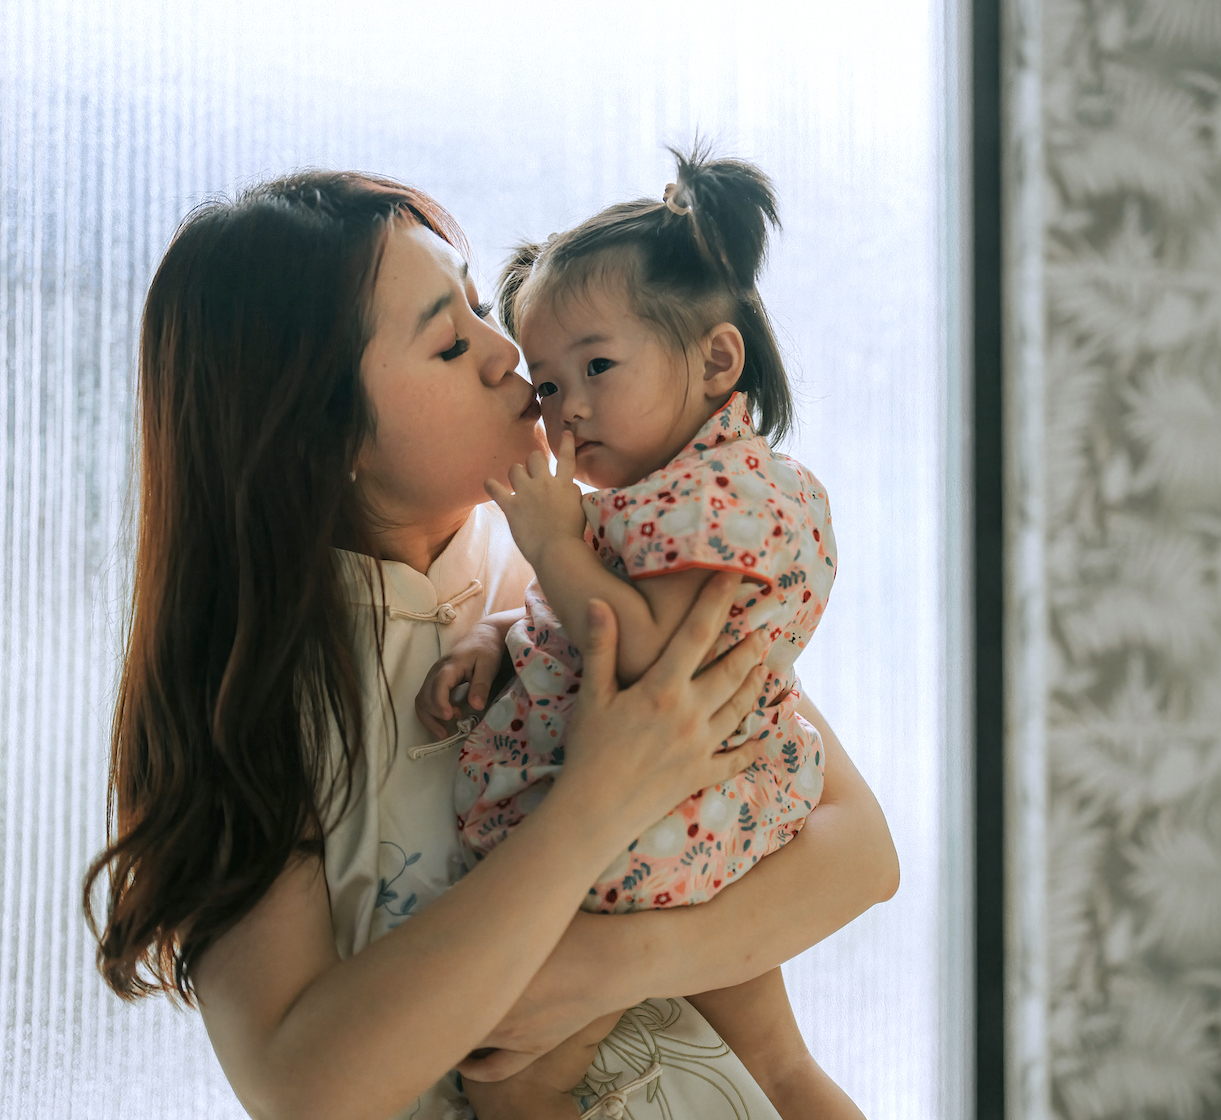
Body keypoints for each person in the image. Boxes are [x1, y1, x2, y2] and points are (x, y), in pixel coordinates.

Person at [82, 169, 900, 1120]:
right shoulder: (256, 701)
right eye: (446, 338)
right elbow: (304, 1087)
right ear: (321, 430)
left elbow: (861, 853)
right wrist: (591, 808)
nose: (504, 351)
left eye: (477, 304)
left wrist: (614, 960)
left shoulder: (584, 567)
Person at [419, 149, 851, 1119]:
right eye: (546, 383)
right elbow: (572, 636)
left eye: (598, 367)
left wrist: (549, 539)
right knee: (781, 1066)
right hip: (701, 827)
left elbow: (655, 658)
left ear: (716, 359)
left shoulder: (715, 499)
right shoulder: (671, 497)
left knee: (518, 1074)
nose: (566, 407)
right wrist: (500, 638)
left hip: (654, 835)